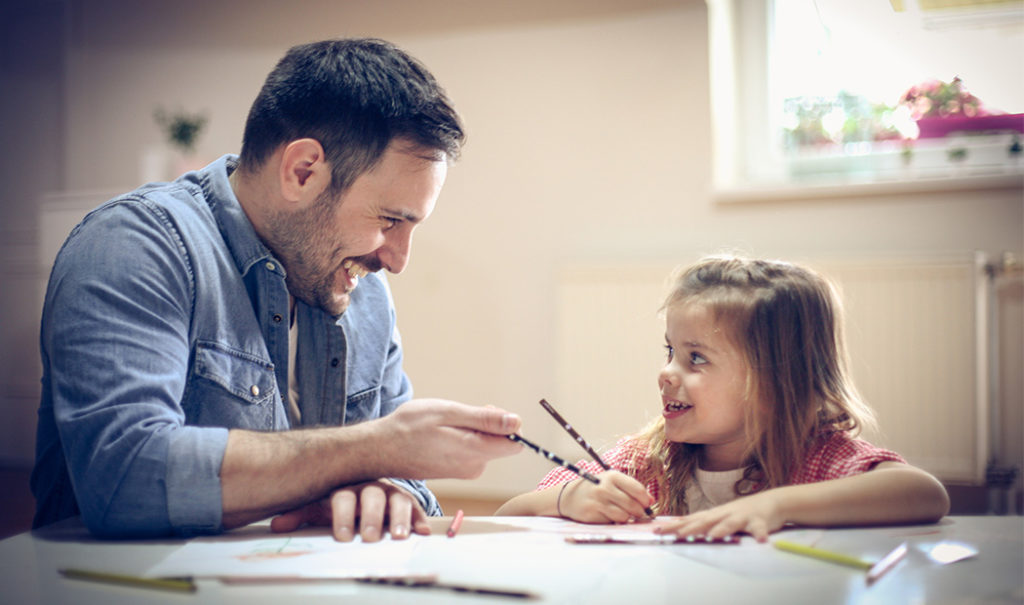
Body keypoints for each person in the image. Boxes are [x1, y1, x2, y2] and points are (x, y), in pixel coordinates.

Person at [31, 38, 522, 542]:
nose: (397, 260)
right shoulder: (133, 245)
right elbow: (124, 479)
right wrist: (370, 449)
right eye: (390, 220)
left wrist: (387, 489)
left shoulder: (363, 294)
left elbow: (406, 478)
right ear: (302, 171)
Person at [496, 255, 949, 541]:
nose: (666, 373)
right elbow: (508, 514)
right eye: (671, 351)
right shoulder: (649, 458)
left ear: (778, 380)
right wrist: (570, 499)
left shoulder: (816, 458)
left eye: (697, 359)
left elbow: (924, 493)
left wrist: (773, 505)